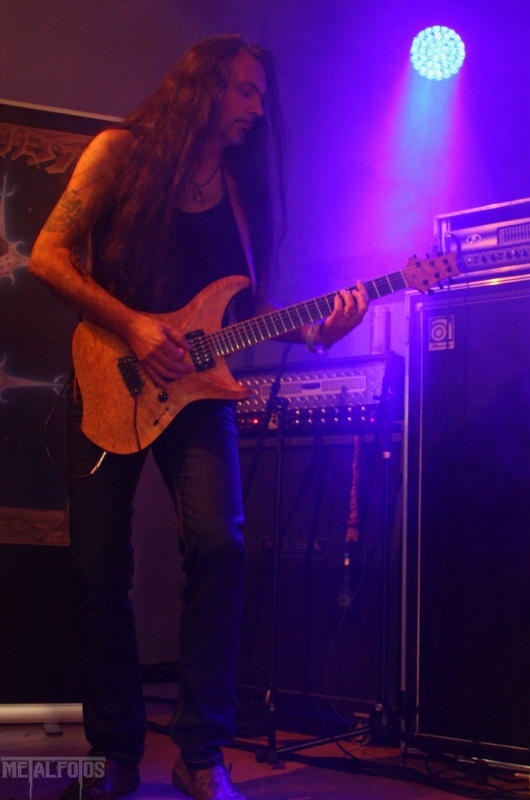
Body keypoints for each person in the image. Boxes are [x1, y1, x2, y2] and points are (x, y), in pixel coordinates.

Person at [29, 34, 369, 800]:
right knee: (98, 568)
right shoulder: (120, 154)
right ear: (204, 88)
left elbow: (248, 308)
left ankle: (201, 753)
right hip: (111, 376)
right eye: (245, 90)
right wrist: (136, 328)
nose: (257, 108)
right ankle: (113, 755)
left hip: (199, 394)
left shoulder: (241, 192)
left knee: (221, 547)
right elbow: (47, 256)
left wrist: (319, 331)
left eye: (261, 95)